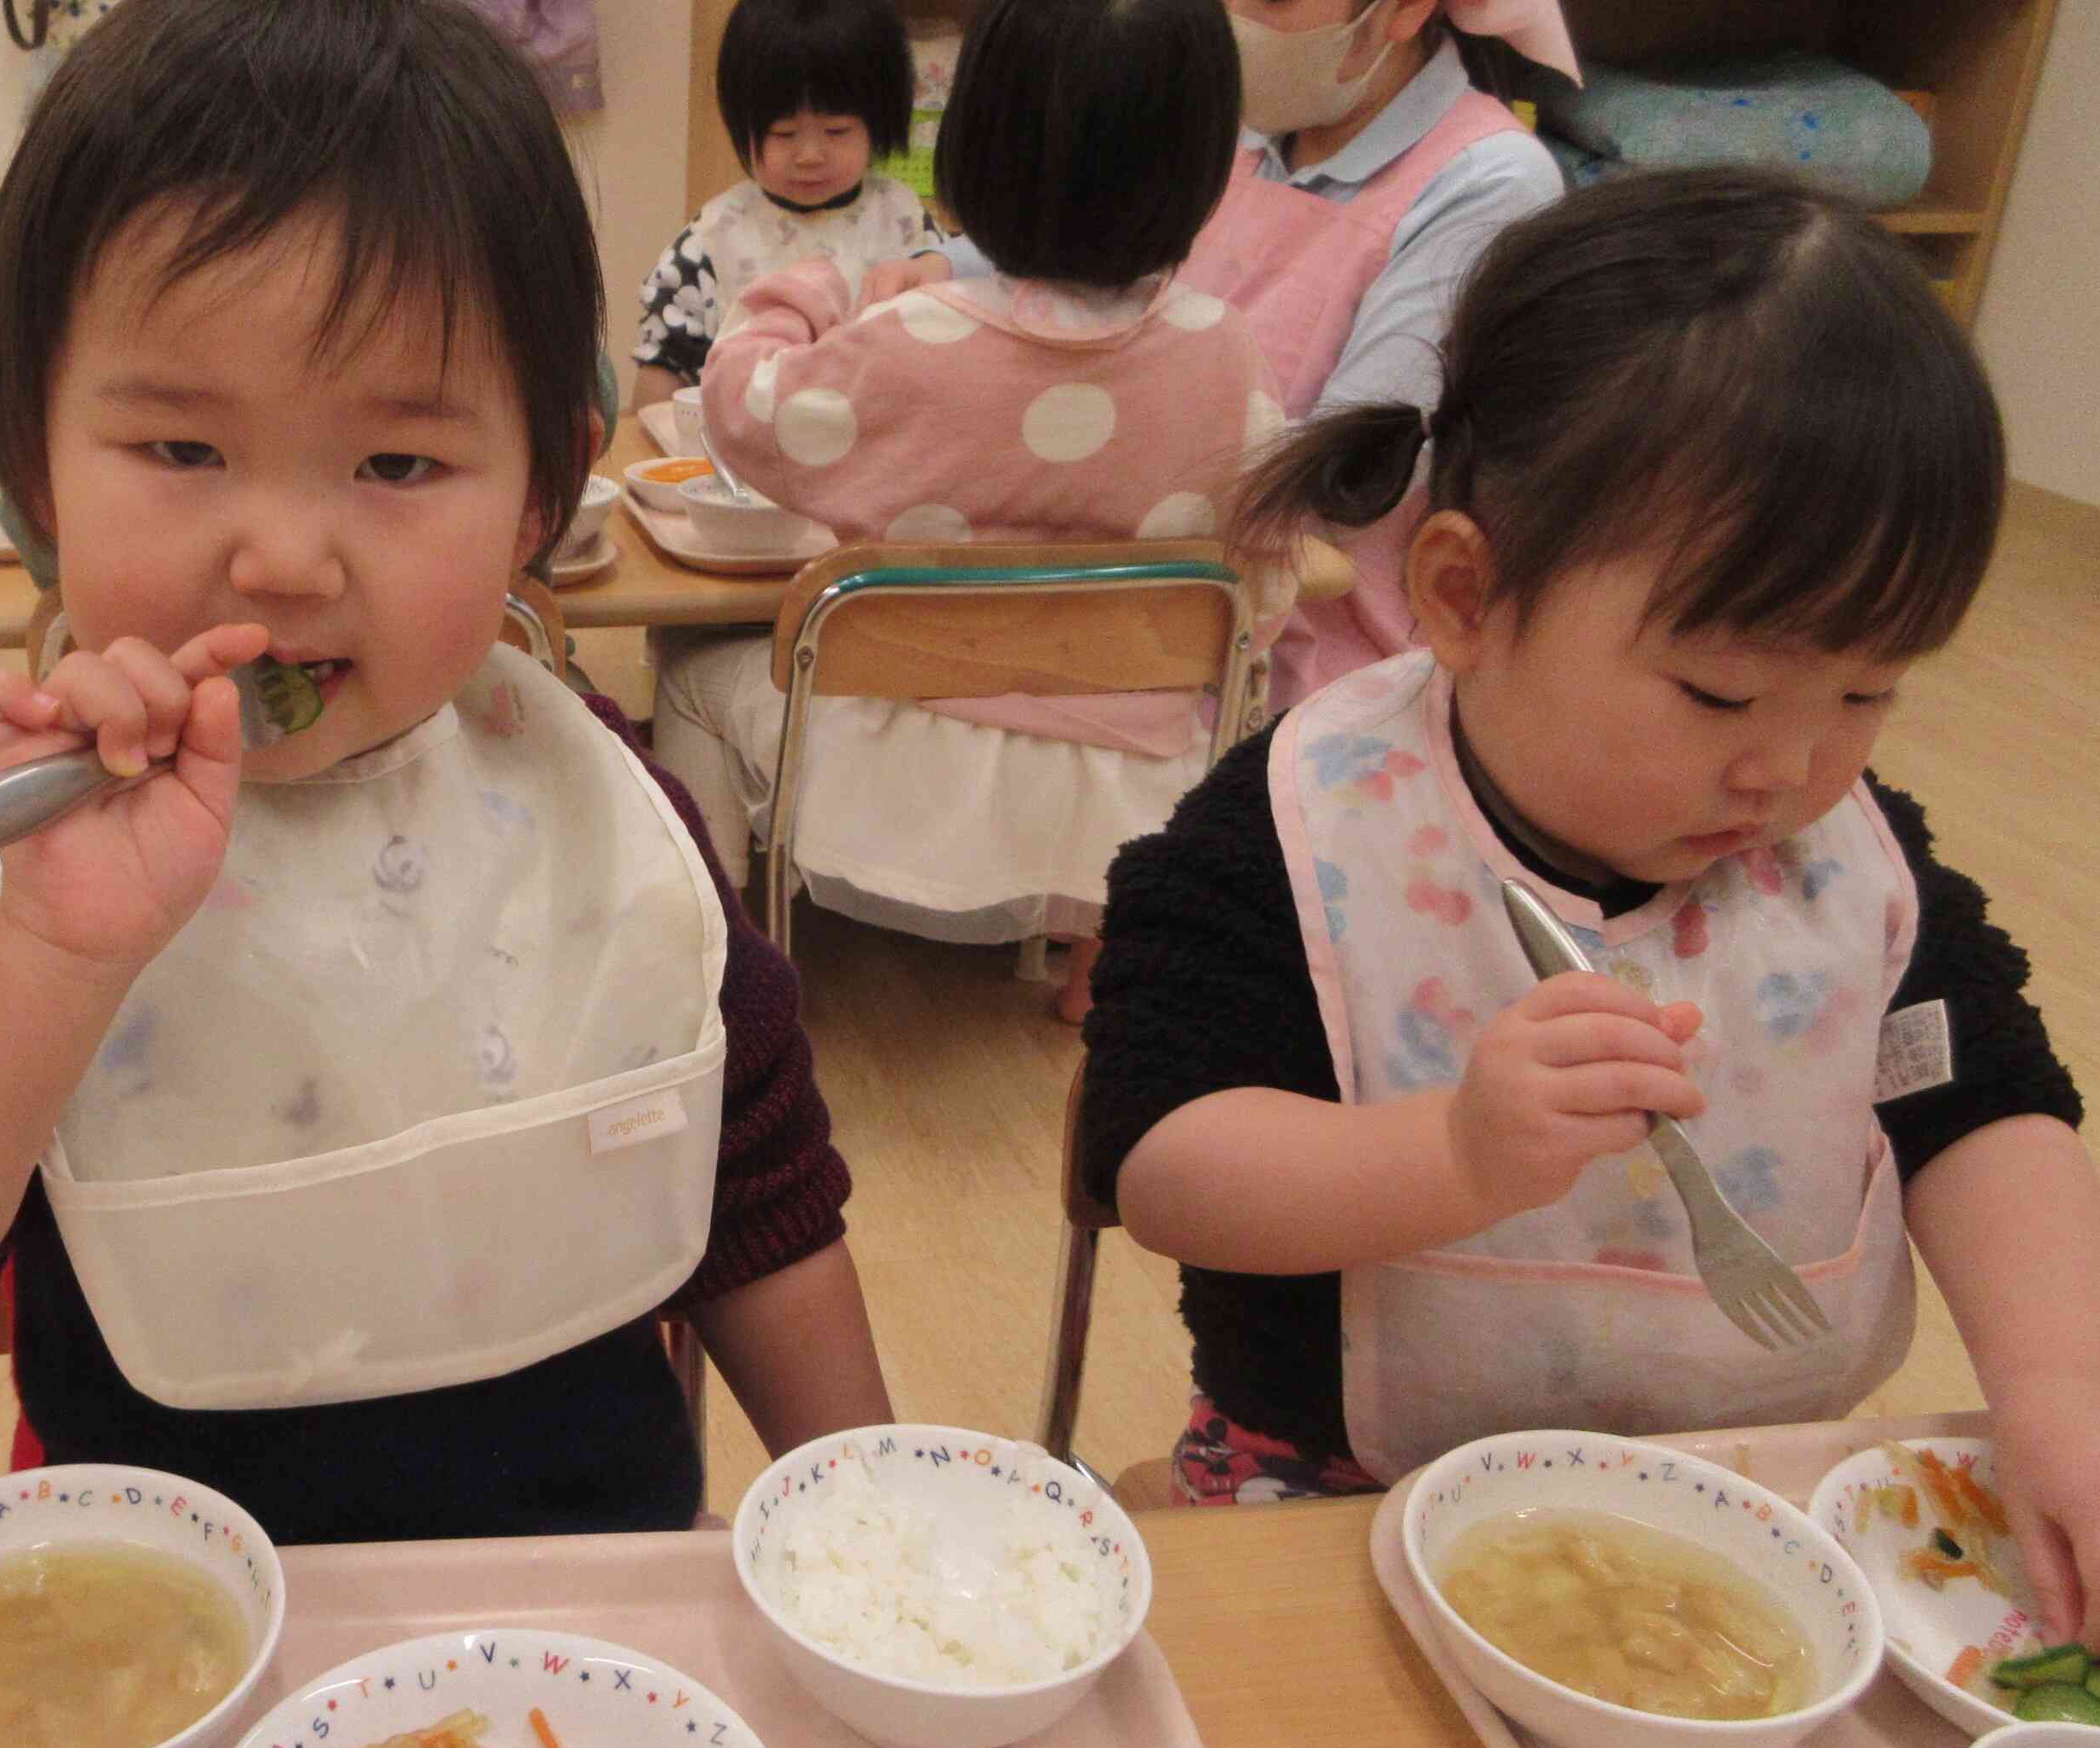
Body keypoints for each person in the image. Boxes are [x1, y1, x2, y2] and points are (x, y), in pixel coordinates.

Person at [0, 0, 894, 1545]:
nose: (279, 554)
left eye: (397, 465)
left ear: (543, 486)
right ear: (27, 467)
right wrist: (51, 952)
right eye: (180, 452)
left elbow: (759, 1197)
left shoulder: (597, 802)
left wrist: (869, 1531)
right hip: (169, 1651)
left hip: (587, 1637)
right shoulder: (15, 850)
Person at [1079, 170, 2100, 1646]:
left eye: (1866, 690)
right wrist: (1448, 1148)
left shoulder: (1840, 860)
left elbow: (1975, 1092)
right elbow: (1156, 1158)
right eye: (1720, 690)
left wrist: (2060, 1389)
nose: (1791, 765)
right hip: (1337, 1488)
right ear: (1462, 596)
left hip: (1731, 1493)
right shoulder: (1297, 831)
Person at [651, 0, 1285, 1023]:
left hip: (893, 763)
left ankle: (722, 976)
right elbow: (1270, 559)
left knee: (686, 676)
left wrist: (796, 295)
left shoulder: (912, 335)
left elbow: (740, 414)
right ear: (1202, 163)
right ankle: (1101, 960)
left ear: (973, 141)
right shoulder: (1225, 351)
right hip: (1135, 785)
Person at [884, 0, 1574, 712]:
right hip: (1113, 595)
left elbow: (1347, 473)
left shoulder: (1487, 183)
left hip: (1289, 662)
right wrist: (941, 265)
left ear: (1403, 10)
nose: (1232, 18)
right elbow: (1084, 241)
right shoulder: (1239, 132)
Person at [630, 0, 938, 410]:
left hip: (876, 454)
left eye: (836, 130)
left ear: (880, 120)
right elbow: (662, 374)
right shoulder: (711, 241)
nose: (809, 154)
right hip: (741, 462)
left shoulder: (905, 224)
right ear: (745, 127)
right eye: (784, 133)